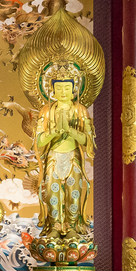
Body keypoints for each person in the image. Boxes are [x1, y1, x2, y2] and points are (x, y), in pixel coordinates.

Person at [34, 63, 95, 239]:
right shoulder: (46, 111)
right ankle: (54, 227)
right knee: (53, 192)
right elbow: (38, 141)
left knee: (73, 192)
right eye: (58, 87)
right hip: (53, 157)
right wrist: (54, 132)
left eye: (67, 87)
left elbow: (87, 140)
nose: (63, 91)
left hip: (72, 156)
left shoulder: (80, 110)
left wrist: (70, 131)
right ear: (51, 89)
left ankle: (73, 228)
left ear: (74, 88)